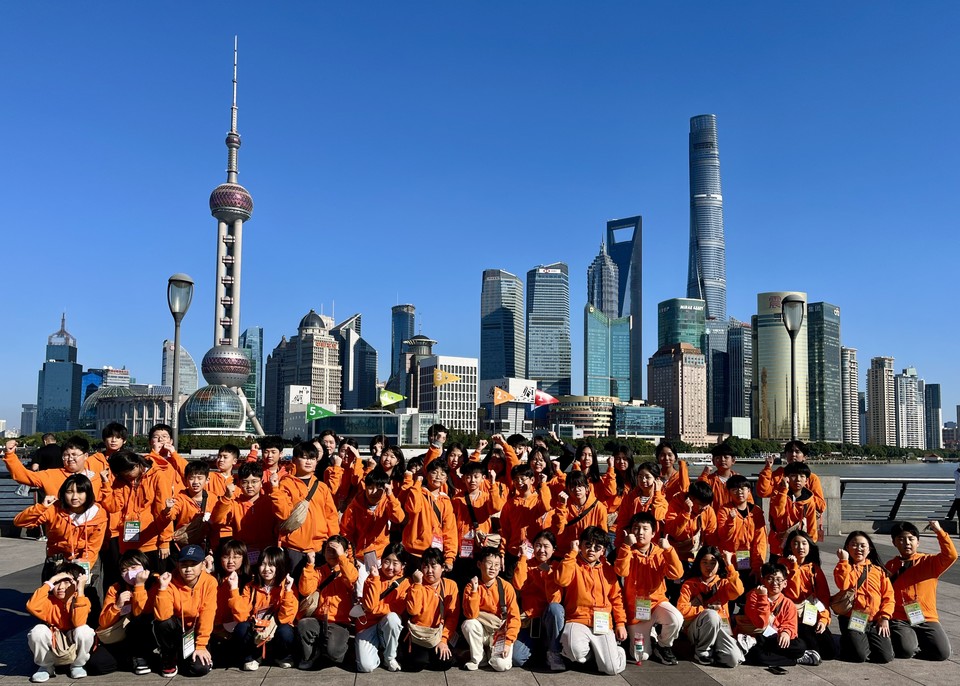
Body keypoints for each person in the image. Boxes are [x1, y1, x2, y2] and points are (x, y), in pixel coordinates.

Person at [615, 511, 684, 665]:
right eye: (636, 528)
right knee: (641, 655)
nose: (640, 532)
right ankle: (649, 637)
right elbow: (621, 571)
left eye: (645, 529)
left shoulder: (661, 552)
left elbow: (677, 573)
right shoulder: (627, 551)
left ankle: (663, 645)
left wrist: (669, 550)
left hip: (657, 603)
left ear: (653, 533)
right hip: (636, 609)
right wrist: (625, 546)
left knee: (676, 619)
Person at [557, 526, 627, 675]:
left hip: (602, 623)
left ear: (603, 551)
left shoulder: (608, 569)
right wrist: (572, 553)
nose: (591, 549)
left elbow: (616, 598)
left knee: (612, 669)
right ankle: (592, 655)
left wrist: (620, 623)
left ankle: (617, 652)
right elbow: (562, 580)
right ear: (580, 544)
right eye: (588, 544)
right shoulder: (572, 563)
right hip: (577, 619)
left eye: (597, 547)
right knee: (575, 653)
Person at [15, 474, 108, 581]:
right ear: (63, 493)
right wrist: (41, 507)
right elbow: (20, 522)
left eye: (80, 492)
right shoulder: (54, 509)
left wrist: (83, 566)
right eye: (69, 492)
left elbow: (94, 545)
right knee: (53, 594)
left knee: (88, 595)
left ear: (88, 493)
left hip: (87, 560)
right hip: (57, 561)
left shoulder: (98, 514)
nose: (75, 497)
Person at [885, 520, 956, 660]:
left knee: (943, 653)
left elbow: (951, 555)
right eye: (901, 539)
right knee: (906, 651)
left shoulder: (929, 562)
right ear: (894, 542)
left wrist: (939, 531)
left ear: (918, 542)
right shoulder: (890, 565)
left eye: (911, 539)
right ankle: (908, 642)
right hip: (899, 617)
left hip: (926, 617)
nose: (907, 543)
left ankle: (915, 641)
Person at [268, 441, 339, 578]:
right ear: (294, 460)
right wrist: (275, 490)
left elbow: (331, 516)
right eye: (304, 457)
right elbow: (283, 514)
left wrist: (333, 541)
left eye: (312, 458)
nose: (308, 461)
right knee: (292, 588)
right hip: (294, 547)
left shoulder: (322, 487)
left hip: (320, 547)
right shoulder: (285, 484)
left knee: (317, 589)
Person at [152, 544, 218, 677]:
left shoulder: (210, 582)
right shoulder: (170, 580)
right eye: (184, 564)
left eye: (193, 564)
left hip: (196, 632)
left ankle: (184, 658)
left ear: (203, 565)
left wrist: (201, 645)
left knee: (199, 669)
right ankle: (168, 657)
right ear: (177, 565)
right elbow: (162, 616)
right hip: (177, 630)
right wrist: (163, 589)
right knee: (163, 623)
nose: (188, 569)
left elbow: (208, 613)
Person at [100, 449, 176, 564]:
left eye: (128, 472)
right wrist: (106, 484)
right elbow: (113, 507)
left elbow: (163, 512)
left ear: (136, 464)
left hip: (151, 542)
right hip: (127, 541)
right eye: (122, 474)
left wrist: (165, 541)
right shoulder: (121, 479)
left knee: (152, 579)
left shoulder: (157, 476)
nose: (127, 476)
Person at [738, 563, 818, 671]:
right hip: (757, 637)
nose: (775, 583)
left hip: (775, 639)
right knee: (756, 654)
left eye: (779, 580)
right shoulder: (754, 596)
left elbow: (791, 626)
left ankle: (792, 656)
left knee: (800, 645)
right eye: (770, 579)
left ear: (785, 583)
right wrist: (762, 597)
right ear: (763, 580)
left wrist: (785, 632)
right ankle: (794, 659)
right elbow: (761, 623)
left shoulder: (788, 603)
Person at [229, 546, 297, 670]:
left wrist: (287, 591)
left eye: (271, 565)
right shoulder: (250, 586)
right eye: (263, 564)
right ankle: (251, 657)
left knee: (286, 631)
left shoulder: (287, 585)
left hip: (276, 629)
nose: (266, 569)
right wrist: (234, 589)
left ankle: (283, 656)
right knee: (241, 628)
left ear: (280, 566)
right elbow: (241, 616)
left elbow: (286, 618)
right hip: (257, 630)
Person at [296, 535, 358, 669]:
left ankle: (345, 649)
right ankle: (310, 656)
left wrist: (342, 557)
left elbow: (352, 578)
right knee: (304, 624)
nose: (332, 553)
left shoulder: (348, 569)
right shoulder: (318, 571)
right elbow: (305, 590)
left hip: (339, 622)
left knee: (334, 653)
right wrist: (310, 564)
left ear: (345, 552)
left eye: (335, 550)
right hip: (318, 618)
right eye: (329, 550)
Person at [26, 563, 96, 682]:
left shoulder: (82, 599)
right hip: (55, 643)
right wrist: (50, 581)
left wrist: (80, 591)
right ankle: (45, 667)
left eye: (67, 582)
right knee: (37, 631)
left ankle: (78, 665)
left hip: (73, 644)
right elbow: (32, 606)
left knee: (85, 631)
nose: (61, 587)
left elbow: (79, 622)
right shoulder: (48, 601)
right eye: (57, 582)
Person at [677, 546, 745, 667]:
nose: (708, 567)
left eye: (713, 563)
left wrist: (729, 564)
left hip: (721, 629)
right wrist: (707, 609)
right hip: (696, 631)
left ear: (719, 565)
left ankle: (714, 649)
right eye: (705, 562)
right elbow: (681, 610)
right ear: (699, 563)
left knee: (732, 660)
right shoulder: (690, 584)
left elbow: (738, 591)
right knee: (711, 615)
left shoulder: (724, 583)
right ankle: (702, 651)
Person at [833, 530, 894, 663]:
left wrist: (884, 617)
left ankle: (862, 640)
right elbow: (843, 584)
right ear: (847, 547)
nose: (858, 549)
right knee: (859, 656)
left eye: (862, 545)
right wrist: (843, 561)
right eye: (854, 545)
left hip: (874, 621)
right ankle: (848, 641)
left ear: (869, 549)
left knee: (886, 657)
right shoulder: (846, 567)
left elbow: (889, 597)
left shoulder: (878, 571)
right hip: (854, 618)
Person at [510, 530, 565, 671]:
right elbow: (518, 584)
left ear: (554, 549)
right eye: (538, 545)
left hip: (548, 621)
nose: (541, 550)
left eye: (546, 546)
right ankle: (540, 650)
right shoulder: (526, 564)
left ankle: (553, 651)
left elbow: (555, 599)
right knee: (516, 658)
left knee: (555, 609)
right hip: (530, 621)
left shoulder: (558, 567)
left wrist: (547, 571)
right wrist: (522, 557)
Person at [96, 550, 156, 676]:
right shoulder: (116, 588)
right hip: (121, 635)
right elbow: (103, 622)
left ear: (144, 566)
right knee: (98, 664)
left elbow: (141, 612)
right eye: (124, 570)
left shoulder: (155, 583)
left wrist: (139, 585)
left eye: (134, 567)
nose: (129, 572)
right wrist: (117, 606)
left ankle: (142, 657)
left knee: (139, 622)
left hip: (147, 633)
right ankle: (130, 660)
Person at [461, 547, 521, 671]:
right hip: (482, 631)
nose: (493, 568)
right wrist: (474, 591)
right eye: (489, 563)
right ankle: (479, 659)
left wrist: (508, 642)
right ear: (479, 564)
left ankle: (492, 654)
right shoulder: (470, 586)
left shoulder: (506, 587)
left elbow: (514, 617)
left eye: (497, 565)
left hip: (499, 633)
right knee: (469, 624)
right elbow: (470, 614)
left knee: (501, 665)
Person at [780, 530, 836, 660]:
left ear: (810, 546)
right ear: (789, 546)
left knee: (830, 652)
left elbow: (823, 598)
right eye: (796, 543)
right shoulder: (782, 566)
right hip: (790, 617)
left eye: (804, 543)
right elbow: (792, 593)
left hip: (810, 614)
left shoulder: (814, 569)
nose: (800, 547)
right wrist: (793, 568)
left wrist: (823, 619)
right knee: (808, 646)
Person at [404, 547, 459, 671]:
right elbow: (412, 610)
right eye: (425, 566)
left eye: (434, 566)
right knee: (416, 664)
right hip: (418, 633)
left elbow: (452, 616)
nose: (429, 571)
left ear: (443, 567)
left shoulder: (450, 585)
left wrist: (444, 640)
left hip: (438, 634)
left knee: (445, 662)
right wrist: (417, 585)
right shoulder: (415, 584)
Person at [210, 462, 277, 563]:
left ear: (261, 482)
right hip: (242, 552)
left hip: (267, 553)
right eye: (245, 482)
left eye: (254, 481)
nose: (250, 486)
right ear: (240, 483)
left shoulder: (271, 502)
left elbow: (283, 517)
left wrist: (276, 489)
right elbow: (216, 520)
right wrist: (226, 498)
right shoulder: (234, 503)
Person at [356, 543, 409, 672]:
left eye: (395, 563)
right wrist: (374, 578)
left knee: (393, 619)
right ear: (381, 561)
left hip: (386, 622)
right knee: (365, 667)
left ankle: (389, 657)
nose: (390, 567)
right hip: (367, 625)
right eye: (387, 562)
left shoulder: (406, 583)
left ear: (403, 565)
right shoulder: (373, 577)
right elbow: (369, 605)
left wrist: (374, 609)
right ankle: (380, 648)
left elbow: (397, 609)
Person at [399, 459, 457, 573]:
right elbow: (413, 508)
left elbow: (449, 531)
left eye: (442, 474)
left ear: (446, 479)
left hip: (435, 554)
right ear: (427, 474)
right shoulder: (417, 492)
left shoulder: (446, 501)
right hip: (413, 552)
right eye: (434, 472)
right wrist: (417, 484)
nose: (438, 476)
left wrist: (449, 557)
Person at [341, 466, 405, 568]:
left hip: (382, 555)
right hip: (360, 556)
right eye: (370, 487)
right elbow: (346, 533)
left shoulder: (388, 502)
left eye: (379, 488)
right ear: (365, 487)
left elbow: (399, 518)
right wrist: (351, 557)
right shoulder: (354, 506)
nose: (374, 492)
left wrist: (391, 495)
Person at [6, 436, 104, 499]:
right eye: (66, 455)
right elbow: (23, 476)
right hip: (59, 528)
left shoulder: (96, 478)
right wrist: (10, 455)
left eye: (74, 455)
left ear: (86, 456)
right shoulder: (50, 475)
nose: (70, 459)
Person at [715, 475, 767, 591]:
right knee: (730, 592)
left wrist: (757, 565)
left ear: (749, 491)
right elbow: (724, 537)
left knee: (749, 593)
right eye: (734, 489)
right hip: (730, 560)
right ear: (729, 492)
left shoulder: (756, 511)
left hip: (749, 560)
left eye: (743, 488)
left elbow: (760, 540)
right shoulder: (724, 510)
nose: (739, 492)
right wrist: (730, 521)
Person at [756, 440, 826, 515]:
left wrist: (803, 496)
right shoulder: (778, 475)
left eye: (797, 452)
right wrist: (767, 469)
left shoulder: (811, 478)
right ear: (785, 455)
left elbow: (821, 506)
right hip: (781, 521)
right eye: (790, 451)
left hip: (803, 522)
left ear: (804, 457)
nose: (793, 454)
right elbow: (762, 492)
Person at [769, 461, 819, 559]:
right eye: (793, 476)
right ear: (786, 478)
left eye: (802, 476)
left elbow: (811, 527)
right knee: (777, 573)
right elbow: (777, 514)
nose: (798, 479)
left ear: (807, 480)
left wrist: (810, 547)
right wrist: (783, 491)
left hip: (798, 547)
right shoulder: (777, 495)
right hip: (778, 546)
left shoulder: (809, 501)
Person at [556, 470, 608, 552]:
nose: (577, 489)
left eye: (580, 486)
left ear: (587, 488)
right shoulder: (563, 506)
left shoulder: (599, 507)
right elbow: (559, 529)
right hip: (566, 550)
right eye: (573, 486)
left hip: (589, 552)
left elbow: (602, 535)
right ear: (567, 489)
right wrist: (561, 506)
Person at [698, 442, 751, 510]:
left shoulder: (740, 480)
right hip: (714, 519)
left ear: (733, 460)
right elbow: (699, 495)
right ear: (713, 461)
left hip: (736, 519)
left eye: (726, 457)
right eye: (718, 458)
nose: (722, 460)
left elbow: (749, 502)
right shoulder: (709, 480)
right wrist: (704, 475)